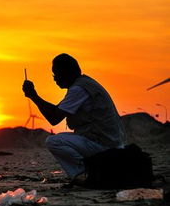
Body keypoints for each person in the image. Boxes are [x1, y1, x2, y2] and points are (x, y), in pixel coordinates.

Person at [22, 53, 125, 183]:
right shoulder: (85, 84)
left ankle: (84, 173)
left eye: (56, 74)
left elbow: (54, 118)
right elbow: (55, 111)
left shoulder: (79, 89)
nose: (55, 79)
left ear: (67, 72)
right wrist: (34, 96)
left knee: (53, 141)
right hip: (109, 142)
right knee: (61, 139)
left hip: (103, 145)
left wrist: (34, 96)